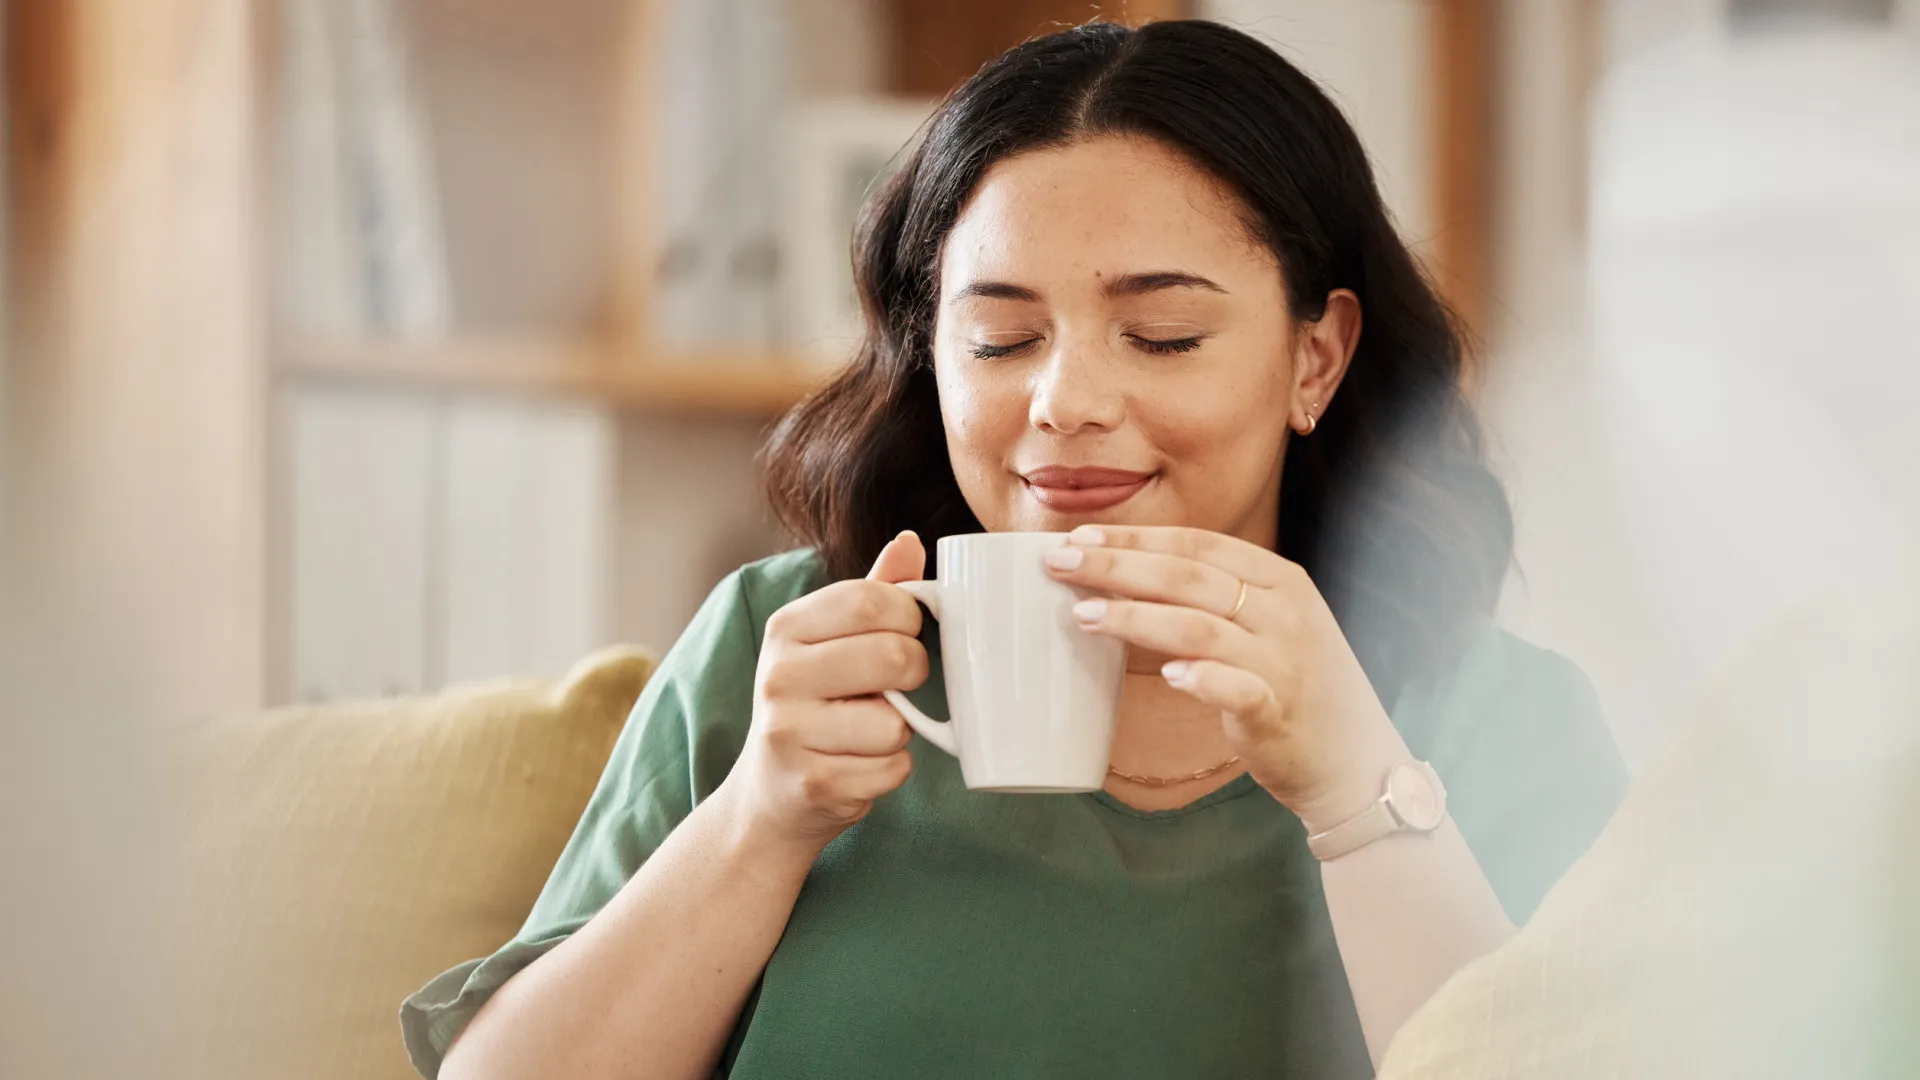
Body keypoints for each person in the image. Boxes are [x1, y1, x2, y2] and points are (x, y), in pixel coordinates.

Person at [402, 20, 1625, 1080]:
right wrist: (759, 822)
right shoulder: (786, 657)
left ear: (1316, 358)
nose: (1063, 402)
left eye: (1160, 335)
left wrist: (1361, 799)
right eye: (997, 341)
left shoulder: (1495, 723)